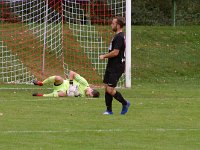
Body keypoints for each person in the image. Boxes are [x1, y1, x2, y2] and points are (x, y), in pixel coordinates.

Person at [99, 16, 130, 115]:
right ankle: (109, 110)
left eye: (113, 23)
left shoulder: (119, 37)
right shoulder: (117, 36)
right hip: (111, 65)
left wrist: (104, 56)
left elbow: (116, 52)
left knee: (110, 89)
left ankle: (125, 103)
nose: (111, 25)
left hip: (117, 66)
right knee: (106, 88)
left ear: (118, 25)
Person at [32, 70, 100, 98]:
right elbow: (71, 72)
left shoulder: (83, 96)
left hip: (63, 91)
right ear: (91, 90)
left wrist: (71, 93)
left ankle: (42, 95)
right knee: (58, 78)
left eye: (89, 96)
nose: (88, 96)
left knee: (62, 94)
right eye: (89, 95)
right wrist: (71, 85)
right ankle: (41, 83)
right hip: (62, 84)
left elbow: (71, 95)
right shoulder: (84, 83)